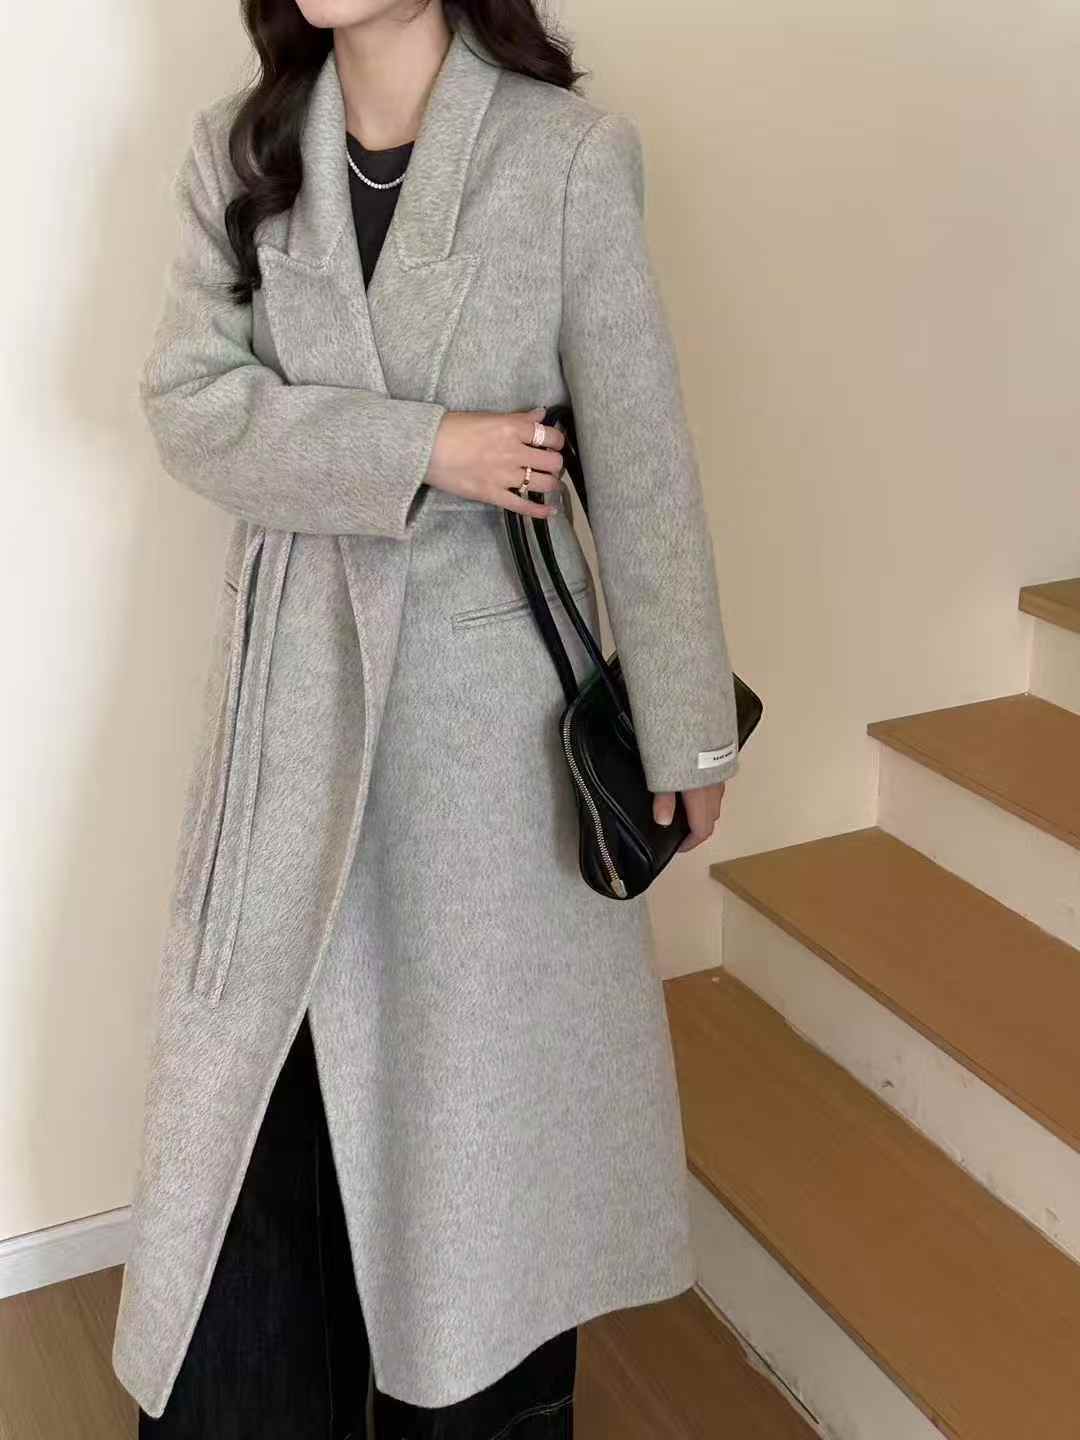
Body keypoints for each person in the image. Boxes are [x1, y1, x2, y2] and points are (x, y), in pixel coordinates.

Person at [112, 1, 741, 1435]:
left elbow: (639, 453)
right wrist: (430, 449)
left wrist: (686, 725)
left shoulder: (567, 155)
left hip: (482, 747)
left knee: (471, 1162)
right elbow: (188, 403)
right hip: (289, 710)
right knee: (257, 1134)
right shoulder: (241, 148)